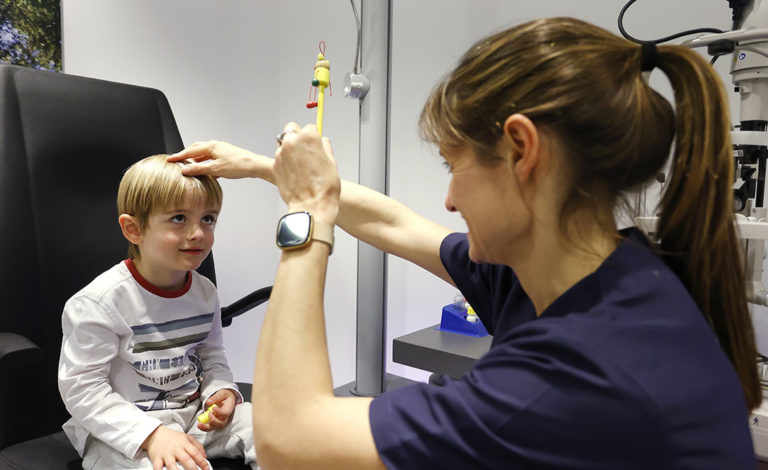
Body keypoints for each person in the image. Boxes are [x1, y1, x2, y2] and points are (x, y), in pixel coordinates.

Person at [170, 17, 759, 469]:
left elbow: (288, 442)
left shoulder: (578, 372)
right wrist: (267, 168)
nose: (449, 199)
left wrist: (305, 212)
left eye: (454, 165)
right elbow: (396, 225)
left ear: (523, 151)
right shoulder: (599, 273)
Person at [58, 155, 258, 470]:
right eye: (179, 218)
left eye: (208, 218)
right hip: (124, 432)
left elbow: (212, 356)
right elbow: (82, 390)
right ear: (134, 229)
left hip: (194, 415)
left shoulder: (205, 292)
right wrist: (152, 435)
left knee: (275, 429)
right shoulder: (99, 303)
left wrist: (220, 390)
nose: (198, 233)